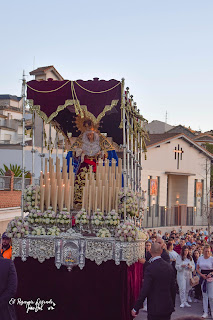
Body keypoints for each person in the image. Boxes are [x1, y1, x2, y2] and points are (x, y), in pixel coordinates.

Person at [132, 243, 176, 320]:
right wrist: (172, 304)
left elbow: (145, 290)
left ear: (150, 252)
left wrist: (136, 307)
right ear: (161, 251)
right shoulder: (169, 266)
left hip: (154, 307)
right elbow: (173, 287)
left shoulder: (150, 268)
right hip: (167, 306)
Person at [196, 245, 213, 319]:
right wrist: (201, 275)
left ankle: (212, 311)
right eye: (205, 251)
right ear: (203, 251)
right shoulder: (200, 258)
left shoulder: (212, 259)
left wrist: (211, 274)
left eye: (208, 251)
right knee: (204, 295)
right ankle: (205, 312)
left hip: (210, 278)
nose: (207, 253)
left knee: (211, 296)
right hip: (203, 277)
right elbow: (197, 268)